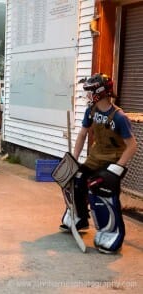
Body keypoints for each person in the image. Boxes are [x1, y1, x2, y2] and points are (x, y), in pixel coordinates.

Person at [59, 73, 137, 254]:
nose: (87, 96)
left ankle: (111, 232)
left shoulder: (119, 117)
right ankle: (78, 217)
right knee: (74, 179)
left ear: (99, 92)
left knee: (100, 190)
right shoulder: (91, 111)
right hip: (95, 158)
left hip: (112, 163)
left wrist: (117, 169)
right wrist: (74, 158)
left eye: (89, 92)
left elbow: (132, 146)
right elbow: (82, 134)